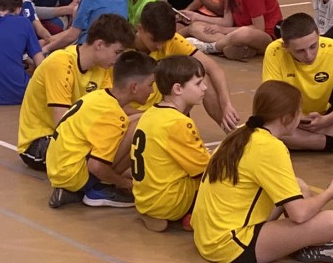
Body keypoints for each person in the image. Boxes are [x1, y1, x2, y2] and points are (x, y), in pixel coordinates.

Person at [191, 81, 333, 263]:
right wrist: (331, 192)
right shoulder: (271, 147)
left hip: (207, 235)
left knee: (298, 186)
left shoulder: (241, 134)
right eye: (298, 112)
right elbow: (299, 214)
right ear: (287, 118)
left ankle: (298, 243)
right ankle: (307, 246)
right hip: (229, 245)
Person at [15, 15, 131, 170]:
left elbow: (112, 110)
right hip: (40, 142)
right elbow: (62, 123)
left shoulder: (103, 68)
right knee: (104, 154)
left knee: (129, 127)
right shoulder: (61, 62)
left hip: (72, 136)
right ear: (99, 44)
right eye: (117, 52)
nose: (117, 59)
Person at [45, 48, 154, 209]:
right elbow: (96, 166)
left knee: (139, 120)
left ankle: (75, 189)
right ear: (134, 87)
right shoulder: (113, 115)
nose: (152, 90)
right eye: (150, 85)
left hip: (58, 168)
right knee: (141, 127)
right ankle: (99, 188)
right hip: (73, 175)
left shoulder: (100, 96)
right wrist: (124, 183)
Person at [130, 55, 213, 231]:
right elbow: (205, 169)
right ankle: (194, 214)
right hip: (170, 203)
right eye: (198, 83)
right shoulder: (178, 123)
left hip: (145, 199)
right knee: (228, 175)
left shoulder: (151, 113)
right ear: (178, 89)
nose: (204, 87)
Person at [133, 2, 232, 131]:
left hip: (164, 109)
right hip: (138, 115)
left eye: (164, 41)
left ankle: (231, 132)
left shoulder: (172, 41)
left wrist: (226, 105)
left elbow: (213, 68)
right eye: (154, 40)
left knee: (201, 78)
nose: (160, 46)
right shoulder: (122, 51)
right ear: (140, 29)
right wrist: (150, 115)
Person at [258, 13, 333, 151]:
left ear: (318, 35)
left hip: (325, 116)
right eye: (300, 51)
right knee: (265, 127)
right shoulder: (274, 51)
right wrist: (300, 119)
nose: (309, 55)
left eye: (313, 46)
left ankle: (311, 141)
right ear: (285, 46)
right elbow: (273, 100)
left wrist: (327, 120)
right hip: (291, 118)